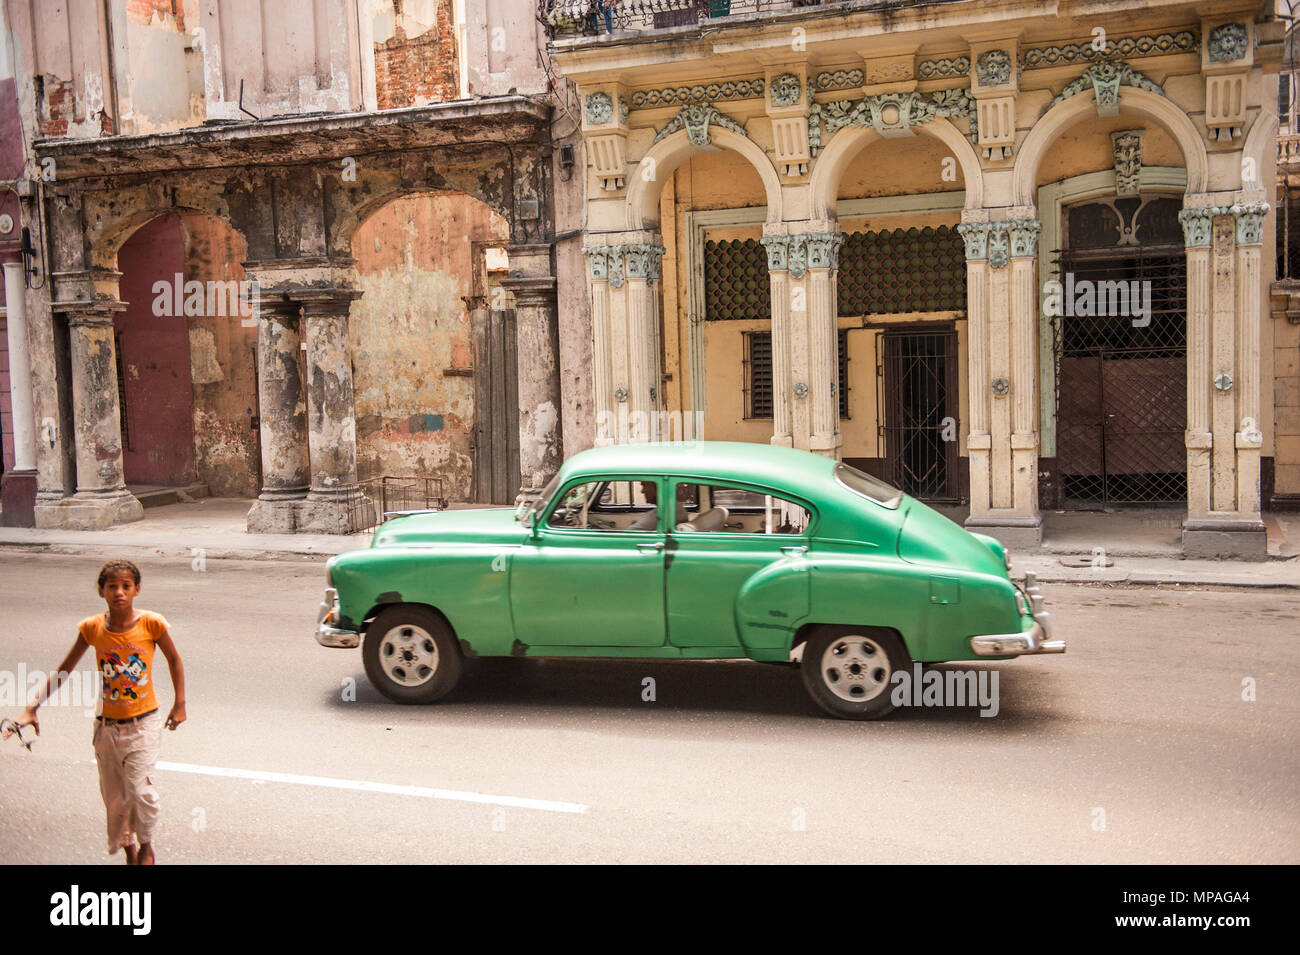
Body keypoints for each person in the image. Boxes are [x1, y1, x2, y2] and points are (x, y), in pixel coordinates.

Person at [3, 559, 186, 864]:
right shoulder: (92, 628)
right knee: (115, 798)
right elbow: (64, 669)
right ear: (101, 591)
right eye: (112, 586)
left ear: (137, 589)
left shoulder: (152, 623)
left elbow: (175, 660)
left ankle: (147, 843)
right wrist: (31, 708)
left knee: (141, 792)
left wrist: (180, 703)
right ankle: (130, 851)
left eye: (126, 586)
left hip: (144, 724)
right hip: (106, 729)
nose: (119, 592)